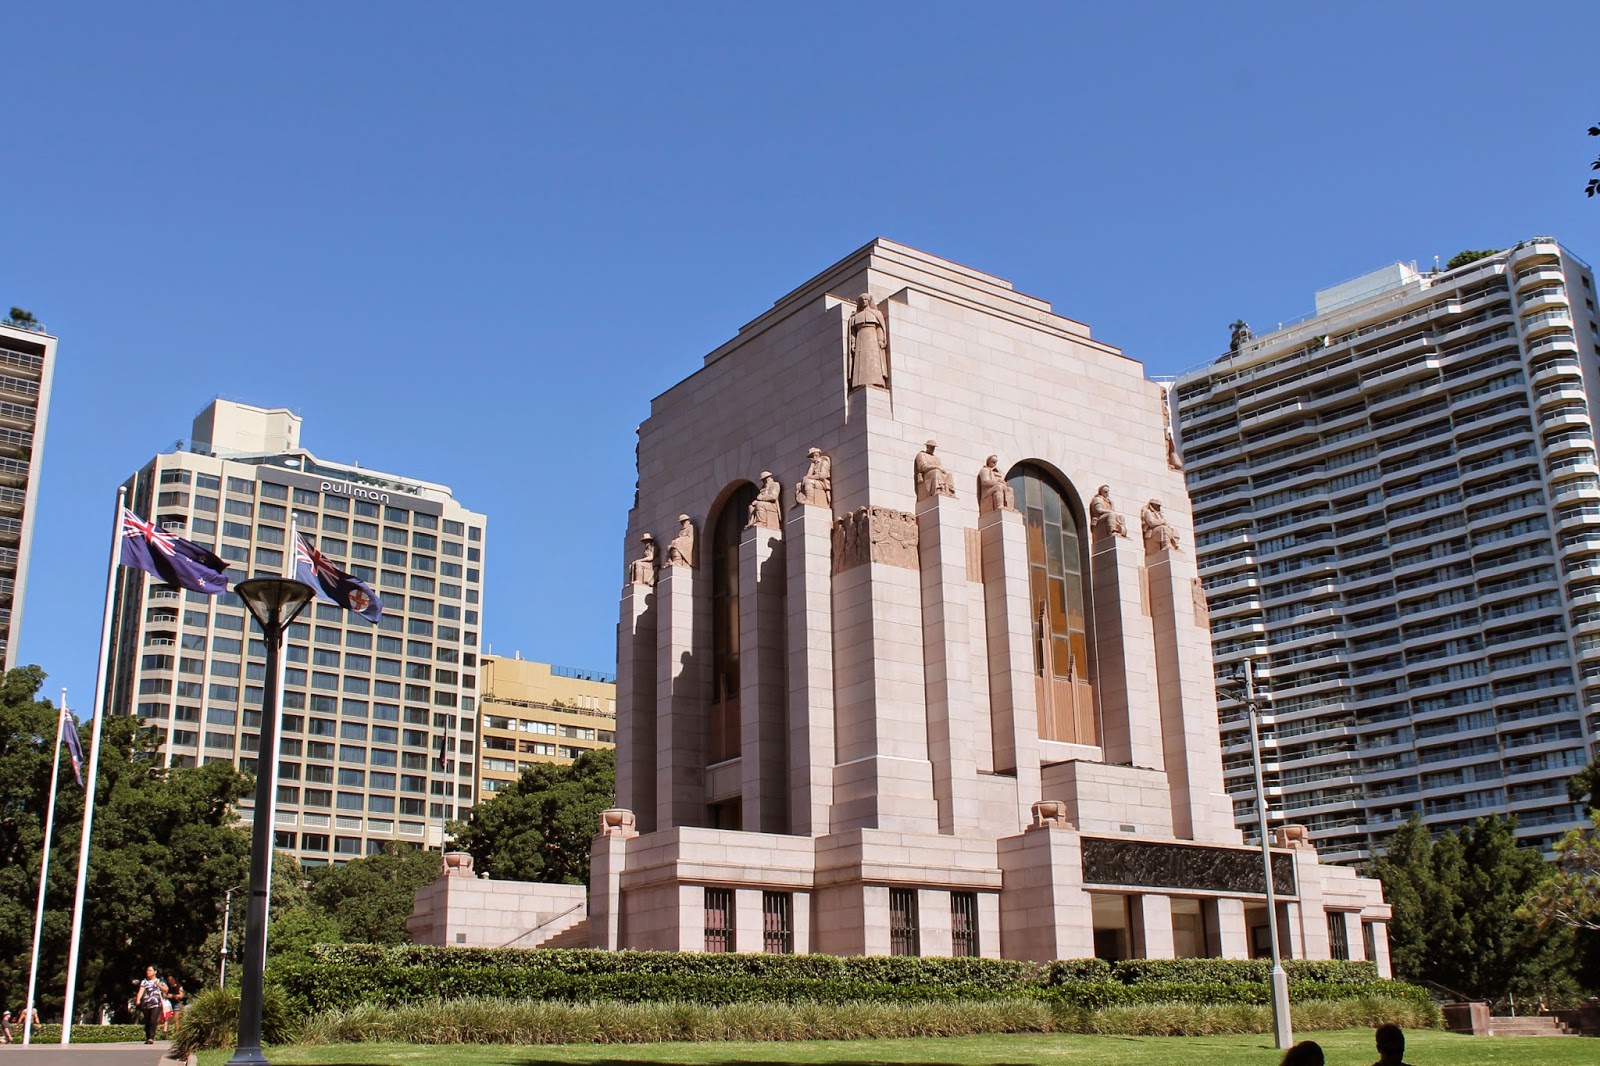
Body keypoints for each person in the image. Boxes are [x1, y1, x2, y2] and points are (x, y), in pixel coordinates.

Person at [137, 965, 168, 1044]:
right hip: (146, 1004)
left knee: (153, 1020)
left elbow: (166, 990)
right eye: (147, 970)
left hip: (157, 1003)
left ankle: (151, 1037)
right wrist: (138, 999)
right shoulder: (144, 981)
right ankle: (148, 1037)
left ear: (155, 972)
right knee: (147, 1021)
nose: (148, 972)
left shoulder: (160, 980)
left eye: (150, 970)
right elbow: (141, 991)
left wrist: (159, 985)